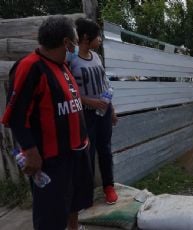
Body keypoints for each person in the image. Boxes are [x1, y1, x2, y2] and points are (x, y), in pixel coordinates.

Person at [1, 16, 93, 230]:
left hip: (76, 150)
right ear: (65, 42)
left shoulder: (62, 65)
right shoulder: (30, 67)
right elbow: (16, 116)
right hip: (52, 159)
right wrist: (31, 152)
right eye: (75, 40)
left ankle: (74, 228)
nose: (76, 45)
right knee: (50, 213)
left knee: (74, 201)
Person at [69, 18, 118, 205]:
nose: (100, 41)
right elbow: (70, 93)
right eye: (98, 37)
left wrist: (111, 109)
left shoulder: (96, 57)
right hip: (85, 115)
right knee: (86, 154)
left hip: (103, 113)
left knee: (105, 150)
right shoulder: (72, 60)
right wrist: (92, 102)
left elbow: (106, 86)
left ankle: (109, 187)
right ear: (86, 37)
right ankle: (85, 194)